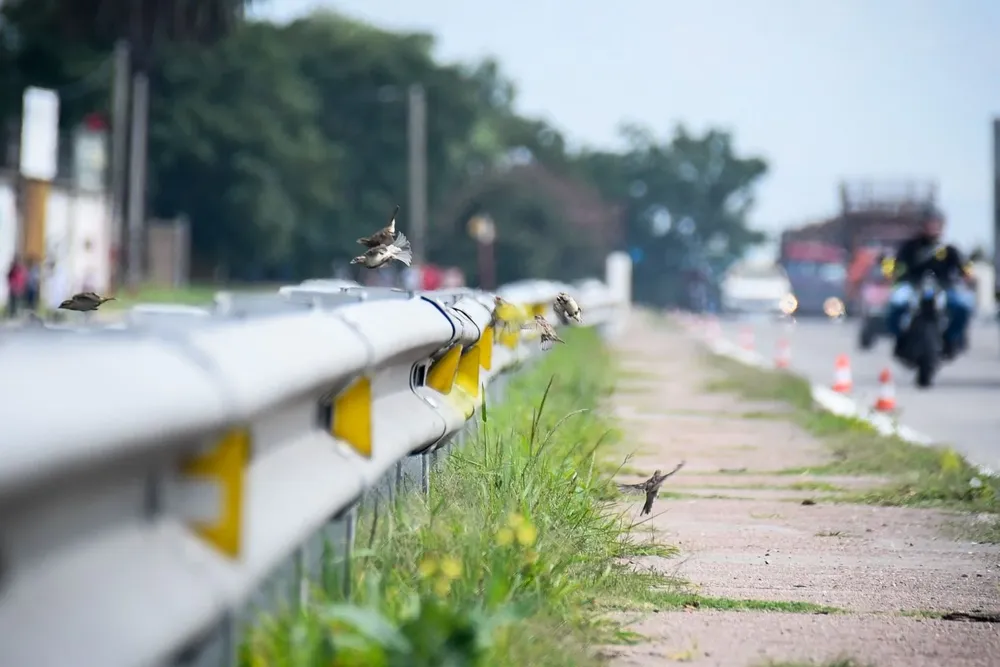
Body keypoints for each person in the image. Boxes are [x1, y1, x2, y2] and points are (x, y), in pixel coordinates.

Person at [884, 207, 975, 359]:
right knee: (896, 303)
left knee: (963, 305)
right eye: (930, 223)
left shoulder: (949, 249)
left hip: (944, 287)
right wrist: (890, 273)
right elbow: (893, 263)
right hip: (913, 286)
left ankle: (951, 339)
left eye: (936, 223)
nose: (933, 227)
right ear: (923, 225)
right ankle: (899, 339)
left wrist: (968, 276)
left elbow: (965, 267)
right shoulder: (910, 247)